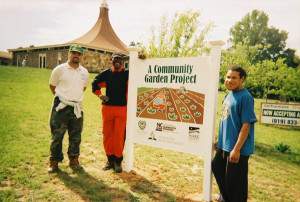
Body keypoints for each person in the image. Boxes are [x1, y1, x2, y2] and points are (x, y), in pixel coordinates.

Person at [92, 52, 145, 173]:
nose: (117, 61)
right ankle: (109, 160)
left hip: (121, 109)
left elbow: (140, 72)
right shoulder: (106, 73)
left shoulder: (127, 73)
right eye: (115, 59)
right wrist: (100, 95)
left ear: (122, 61)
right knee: (107, 134)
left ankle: (117, 161)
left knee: (119, 135)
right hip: (108, 109)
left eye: (120, 59)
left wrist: (141, 60)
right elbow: (94, 84)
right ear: (111, 59)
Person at [212, 66, 257, 202]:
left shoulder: (246, 97)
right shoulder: (229, 95)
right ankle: (225, 198)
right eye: (228, 77)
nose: (229, 80)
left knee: (236, 183)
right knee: (217, 166)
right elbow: (227, 120)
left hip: (238, 149)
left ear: (242, 79)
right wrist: (220, 141)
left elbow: (246, 125)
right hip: (225, 145)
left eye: (233, 78)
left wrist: (236, 149)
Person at [48, 44, 89, 173]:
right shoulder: (59, 70)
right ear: (69, 54)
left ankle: (74, 160)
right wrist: (63, 97)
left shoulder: (84, 72)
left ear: (82, 56)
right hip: (61, 107)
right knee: (57, 136)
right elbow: (52, 86)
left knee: (76, 136)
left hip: (76, 107)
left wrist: (73, 98)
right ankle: (54, 162)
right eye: (74, 53)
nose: (76, 56)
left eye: (79, 54)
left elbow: (84, 88)